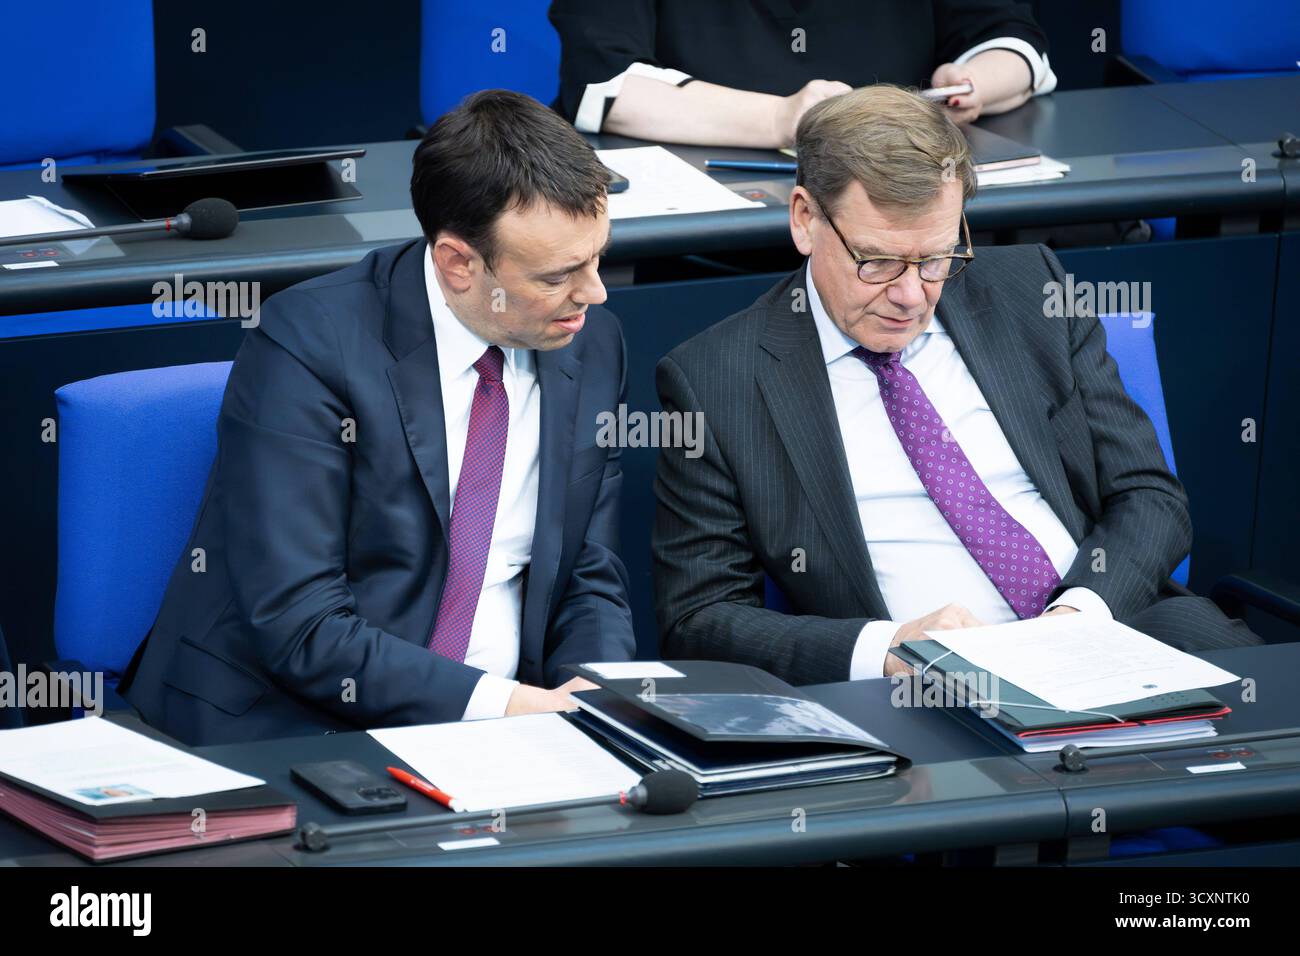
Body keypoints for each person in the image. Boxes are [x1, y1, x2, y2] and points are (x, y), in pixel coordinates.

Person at [652, 85, 1260, 686]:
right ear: (806, 219)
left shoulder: (1032, 290)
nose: (911, 295)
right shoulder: (718, 379)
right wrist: (888, 649)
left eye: (938, 257)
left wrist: (1080, 614)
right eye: (878, 261)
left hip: (1125, 636)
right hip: (929, 698)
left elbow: (1149, 494)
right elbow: (699, 619)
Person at [122, 90, 635, 745]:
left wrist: (594, 690)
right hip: (299, 722)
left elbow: (588, 571)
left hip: (521, 721)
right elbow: (299, 623)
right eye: (559, 275)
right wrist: (502, 706)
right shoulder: (309, 344)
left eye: (598, 257)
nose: (595, 292)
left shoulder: (590, 340)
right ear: (458, 264)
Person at [550, 0, 1056, 147]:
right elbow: (605, 84)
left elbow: (1013, 42)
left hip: (904, 217)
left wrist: (972, 84)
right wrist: (783, 118)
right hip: (699, 242)